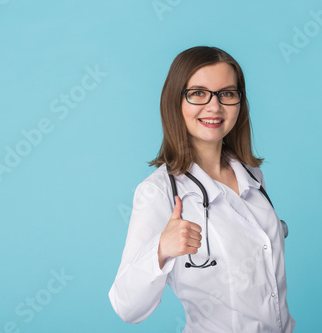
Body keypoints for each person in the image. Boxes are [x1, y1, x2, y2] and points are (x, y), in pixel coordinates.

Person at [109, 46, 295, 332]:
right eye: (198, 93)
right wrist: (161, 249)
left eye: (227, 94)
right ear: (175, 101)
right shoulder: (158, 192)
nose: (214, 106)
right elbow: (126, 307)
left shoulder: (251, 175)